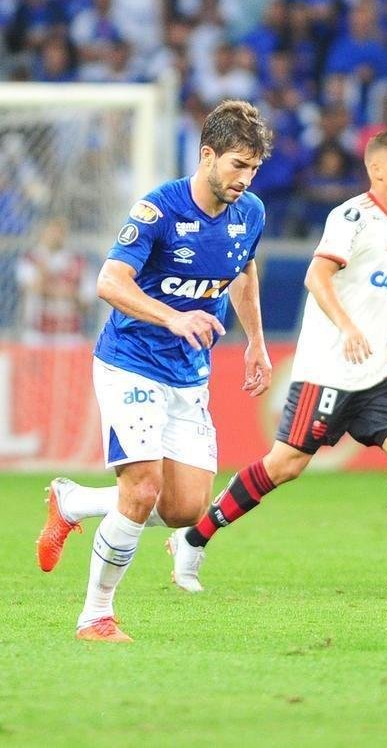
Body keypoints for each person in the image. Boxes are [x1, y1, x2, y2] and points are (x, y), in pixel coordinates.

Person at [165, 128, 387, 598]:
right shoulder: (351, 217)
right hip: (328, 369)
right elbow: (317, 276)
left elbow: (381, 303)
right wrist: (347, 328)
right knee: (284, 465)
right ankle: (192, 537)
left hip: (372, 373)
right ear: (377, 169)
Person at [36, 99, 275, 642]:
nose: (245, 178)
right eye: (238, 165)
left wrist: (255, 342)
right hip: (130, 363)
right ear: (207, 154)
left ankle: (73, 501)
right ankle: (95, 615)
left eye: (254, 168)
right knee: (141, 489)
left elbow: (243, 271)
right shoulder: (158, 210)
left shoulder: (250, 212)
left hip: (188, 375)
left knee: (184, 508)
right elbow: (109, 282)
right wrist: (173, 317)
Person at [15, 216, 95, 345]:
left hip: (69, 333)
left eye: (59, 232)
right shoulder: (30, 258)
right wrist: (64, 289)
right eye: (51, 231)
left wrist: (61, 291)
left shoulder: (78, 261)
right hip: (38, 332)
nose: (54, 236)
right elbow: (33, 287)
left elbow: (86, 300)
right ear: (42, 233)